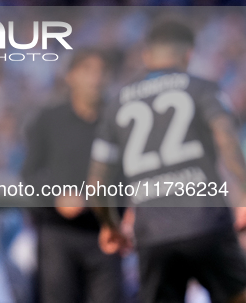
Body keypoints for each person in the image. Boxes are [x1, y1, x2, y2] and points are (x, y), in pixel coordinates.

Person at [88, 19, 246, 303]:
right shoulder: (201, 88)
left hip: (152, 232)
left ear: (147, 56)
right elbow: (227, 139)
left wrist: (110, 226)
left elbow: (97, 181)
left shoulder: (117, 104)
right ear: (188, 55)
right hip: (206, 220)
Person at [21, 49, 122, 303]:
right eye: (87, 70)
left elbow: (130, 176)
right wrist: (57, 197)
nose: (95, 79)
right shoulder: (49, 119)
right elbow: (29, 173)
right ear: (70, 76)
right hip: (58, 233)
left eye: (101, 72)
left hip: (105, 233)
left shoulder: (119, 121)